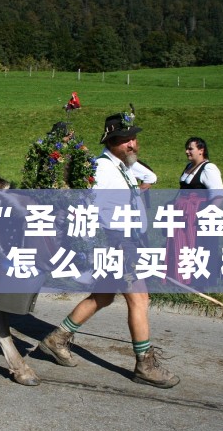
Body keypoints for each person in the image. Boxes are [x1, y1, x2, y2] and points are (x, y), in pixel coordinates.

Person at [37, 112, 179, 389]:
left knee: (103, 296)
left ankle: (57, 338)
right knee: (140, 299)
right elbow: (91, 210)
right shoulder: (103, 169)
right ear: (111, 142)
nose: (132, 144)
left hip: (126, 242)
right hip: (116, 243)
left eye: (133, 138)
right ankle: (145, 365)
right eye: (125, 140)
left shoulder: (122, 167)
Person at [165, 137, 223, 285]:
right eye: (186, 148)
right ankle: (180, 278)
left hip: (197, 212)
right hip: (183, 213)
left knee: (195, 245)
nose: (187, 151)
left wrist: (207, 216)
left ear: (201, 150)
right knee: (180, 243)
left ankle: (196, 281)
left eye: (190, 148)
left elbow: (219, 195)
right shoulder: (189, 166)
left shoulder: (209, 168)